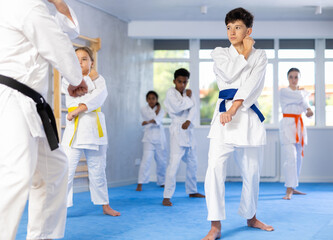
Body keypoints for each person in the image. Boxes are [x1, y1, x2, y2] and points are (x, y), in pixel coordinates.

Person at [0, 0, 87, 239]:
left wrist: (58, 3)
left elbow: (66, 30)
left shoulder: (34, 9)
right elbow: (58, 45)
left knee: (54, 170)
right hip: (11, 102)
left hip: (28, 103)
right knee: (14, 177)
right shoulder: (27, 6)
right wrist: (75, 77)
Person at [202, 8, 274, 240]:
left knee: (252, 172)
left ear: (248, 30)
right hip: (223, 118)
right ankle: (215, 225)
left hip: (246, 116)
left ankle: (251, 216)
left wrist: (235, 107)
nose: (232, 32)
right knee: (214, 169)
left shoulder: (260, 56)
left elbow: (253, 84)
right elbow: (229, 74)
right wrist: (245, 51)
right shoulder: (219, 53)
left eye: (238, 27)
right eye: (229, 27)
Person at [62, 47, 121, 216]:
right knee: (66, 169)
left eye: (84, 59)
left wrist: (78, 109)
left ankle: (105, 205)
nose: (80, 62)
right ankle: (60, 207)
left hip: (94, 129)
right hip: (74, 130)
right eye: (77, 59)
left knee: (98, 170)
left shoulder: (100, 80)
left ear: (92, 62)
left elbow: (100, 96)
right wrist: (91, 81)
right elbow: (75, 95)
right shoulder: (68, 79)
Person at [162, 68, 205, 206]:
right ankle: (167, 196)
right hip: (177, 130)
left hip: (188, 130)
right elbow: (177, 107)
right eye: (179, 82)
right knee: (174, 164)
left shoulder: (189, 93)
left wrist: (189, 121)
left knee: (193, 163)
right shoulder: (171, 93)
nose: (182, 85)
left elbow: (194, 108)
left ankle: (192, 190)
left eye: (185, 82)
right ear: (174, 81)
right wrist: (187, 98)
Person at [279, 68, 313, 200]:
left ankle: (293, 186)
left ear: (299, 78)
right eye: (291, 77)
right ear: (288, 78)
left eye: (296, 77)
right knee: (291, 157)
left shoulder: (301, 94)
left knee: (299, 157)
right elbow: (301, 98)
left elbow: (306, 109)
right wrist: (305, 94)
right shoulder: (284, 92)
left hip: (299, 125)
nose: (293, 80)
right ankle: (288, 188)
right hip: (288, 125)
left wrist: (309, 110)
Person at [136, 91, 167, 191]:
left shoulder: (161, 110)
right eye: (149, 98)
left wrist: (149, 121)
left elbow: (157, 120)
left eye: (153, 98)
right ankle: (140, 183)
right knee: (146, 160)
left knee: (161, 161)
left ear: (156, 100)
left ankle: (162, 181)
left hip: (159, 138)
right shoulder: (143, 109)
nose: (151, 100)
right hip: (148, 138)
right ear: (146, 100)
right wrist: (153, 117)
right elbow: (148, 120)